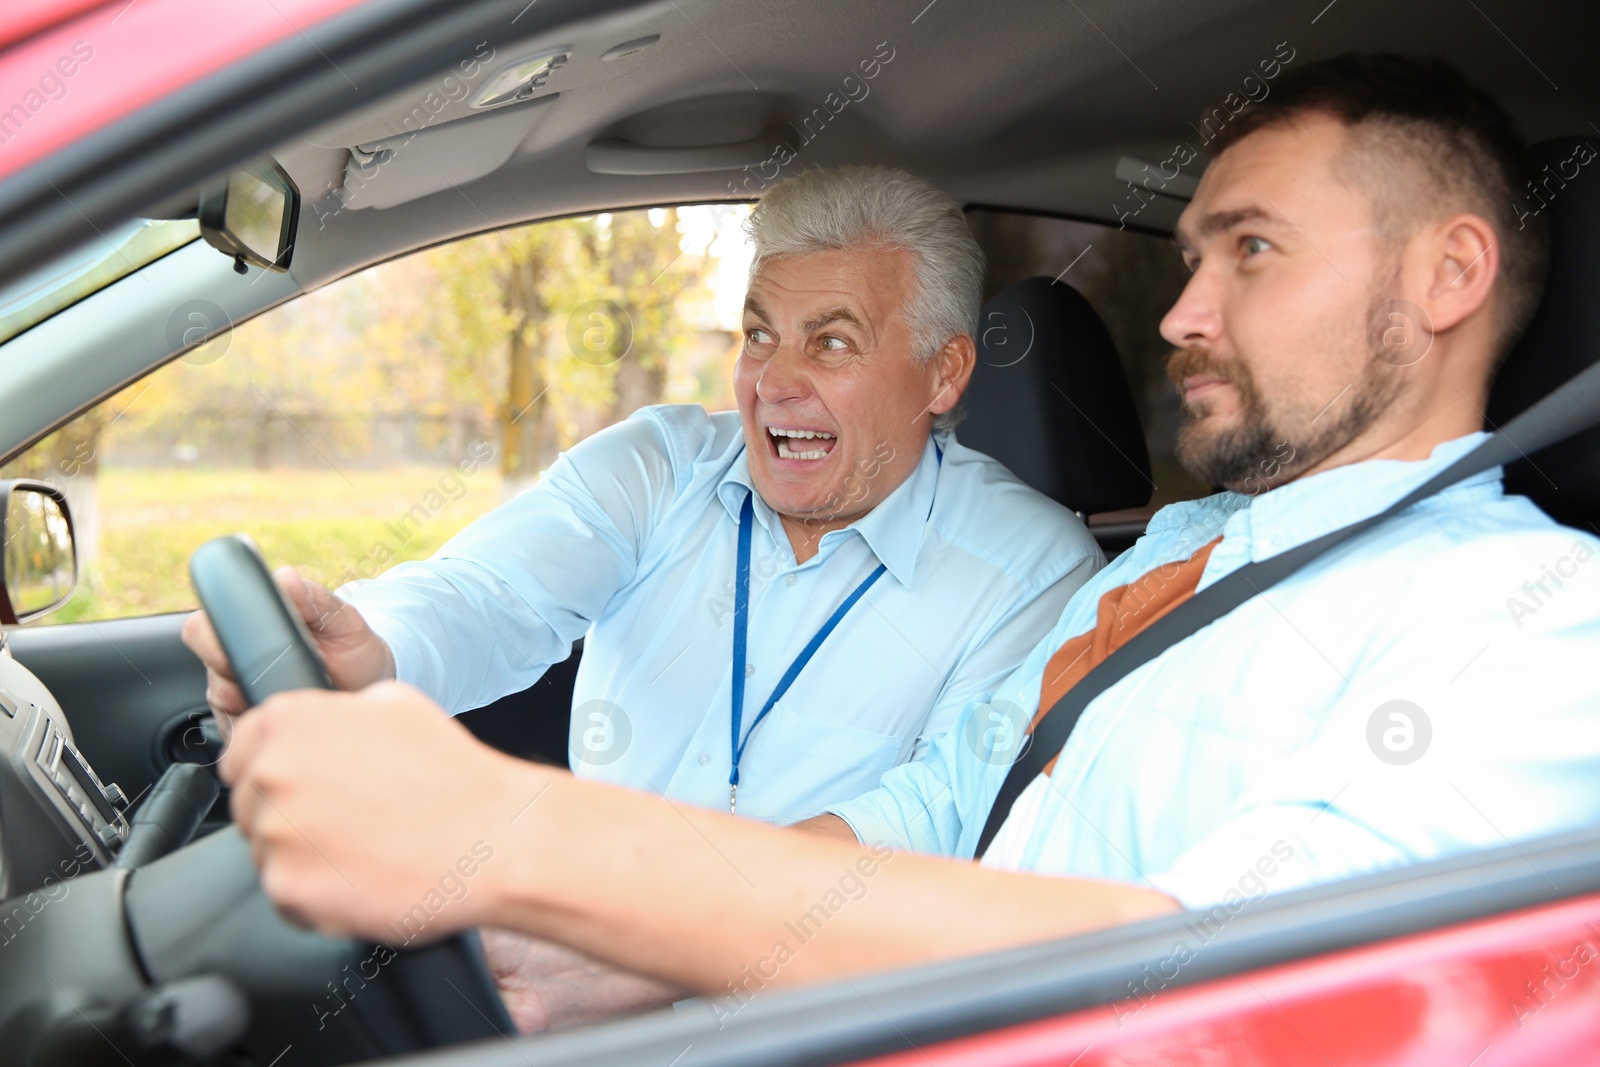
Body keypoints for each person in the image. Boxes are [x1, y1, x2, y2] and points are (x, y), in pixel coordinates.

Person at [214, 54, 1600, 1027]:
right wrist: (636, 951)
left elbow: (1213, 979)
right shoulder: (1178, 558)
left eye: (1250, 251)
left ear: (1448, 276)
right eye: (1189, 257)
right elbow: (937, 803)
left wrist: (535, 843)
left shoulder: (1532, 621)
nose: (1181, 313)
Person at [185, 166, 1103, 827]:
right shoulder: (662, 464)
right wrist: (374, 645)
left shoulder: (1033, 575)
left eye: (830, 343)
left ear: (943, 373)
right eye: (759, 334)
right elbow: (493, 592)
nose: (773, 382)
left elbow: (935, 824)